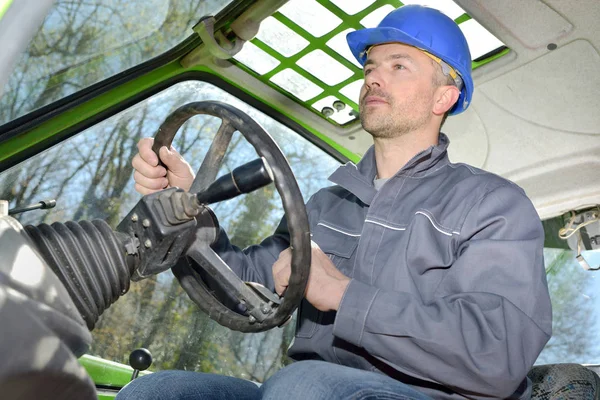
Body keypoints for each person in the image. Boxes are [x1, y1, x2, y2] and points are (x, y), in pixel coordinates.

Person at [120, 5, 552, 400]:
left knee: (303, 385)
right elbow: (245, 287)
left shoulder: (492, 204)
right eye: (370, 67)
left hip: (424, 394)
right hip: (307, 389)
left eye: (399, 66)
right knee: (157, 392)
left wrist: (341, 294)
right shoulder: (328, 204)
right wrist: (184, 212)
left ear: (445, 96)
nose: (373, 79)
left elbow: (498, 353)